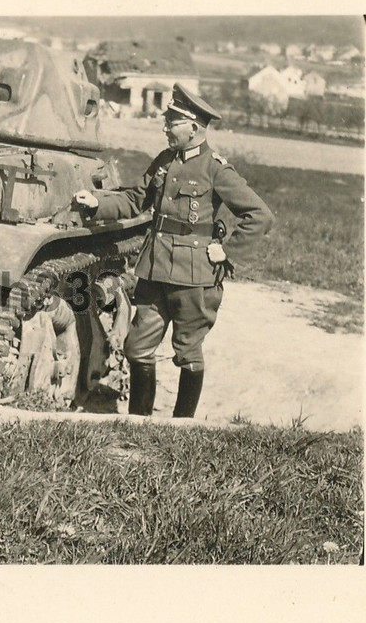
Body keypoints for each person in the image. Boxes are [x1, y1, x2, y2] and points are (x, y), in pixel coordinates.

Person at [73, 83, 274, 418]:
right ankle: (140, 422)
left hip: (195, 275)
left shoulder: (216, 169)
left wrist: (228, 251)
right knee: (137, 347)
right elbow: (135, 199)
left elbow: (259, 215)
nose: (165, 127)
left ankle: (182, 428)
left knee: (188, 352)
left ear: (194, 128)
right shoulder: (164, 162)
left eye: (172, 122)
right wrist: (98, 203)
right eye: (167, 120)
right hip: (155, 269)